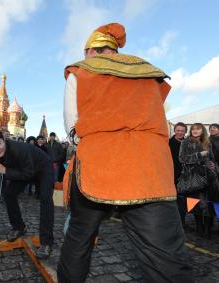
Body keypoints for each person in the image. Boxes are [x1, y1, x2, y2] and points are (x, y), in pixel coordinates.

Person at [58, 23, 193, 282]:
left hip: (98, 167)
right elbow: (158, 122)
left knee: (79, 239)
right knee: (164, 256)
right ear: (115, 50)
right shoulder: (147, 72)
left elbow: (73, 127)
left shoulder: (80, 71)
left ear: (90, 51)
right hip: (148, 169)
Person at [0, 129, 54, 259]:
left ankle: (47, 242)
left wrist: (5, 170)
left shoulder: (19, 149)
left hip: (43, 168)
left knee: (45, 199)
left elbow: (28, 174)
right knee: (9, 194)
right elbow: (9, 169)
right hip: (26, 170)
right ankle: (19, 228)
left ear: (4, 140)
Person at [179, 123, 219, 239]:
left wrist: (216, 169)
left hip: (209, 177)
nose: (195, 131)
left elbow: (212, 159)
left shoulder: (208, 143)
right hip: (194, 177)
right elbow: (182, 159)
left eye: (198, 129)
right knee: (197, 204)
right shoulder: (186, 142)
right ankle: (199, 228)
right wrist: (199, 155)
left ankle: (207, 230)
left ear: (202, 131)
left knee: (208, 204)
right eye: (193, 129)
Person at [169, 122, 188, 227]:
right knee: (172, 200)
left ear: (185, 131)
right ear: (174, 131)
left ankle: (181, 221)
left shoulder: (188, 143)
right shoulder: (168, 143)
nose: (180, 133)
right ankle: (172, 221)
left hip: (185, 177)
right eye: (178, 130)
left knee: (183, 200)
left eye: (182, 131)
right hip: (171, 176)